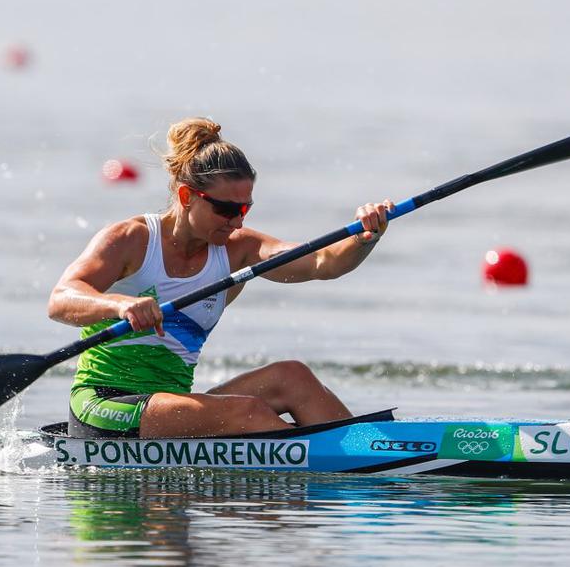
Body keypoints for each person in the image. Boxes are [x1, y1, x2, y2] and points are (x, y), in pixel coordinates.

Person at [48, 118, 393, 439]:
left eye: (244, 209)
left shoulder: (237, 250)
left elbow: (321, 262)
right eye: (226, 210)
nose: (237, 222)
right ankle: (348, 461)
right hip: (105, 405)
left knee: (293, 376)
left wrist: (364, 237)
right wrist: (121, 305)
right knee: (248, 411)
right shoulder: (131, 239)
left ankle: (372, 448)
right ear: (186, 196)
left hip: (171, 403)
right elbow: (61, 298)